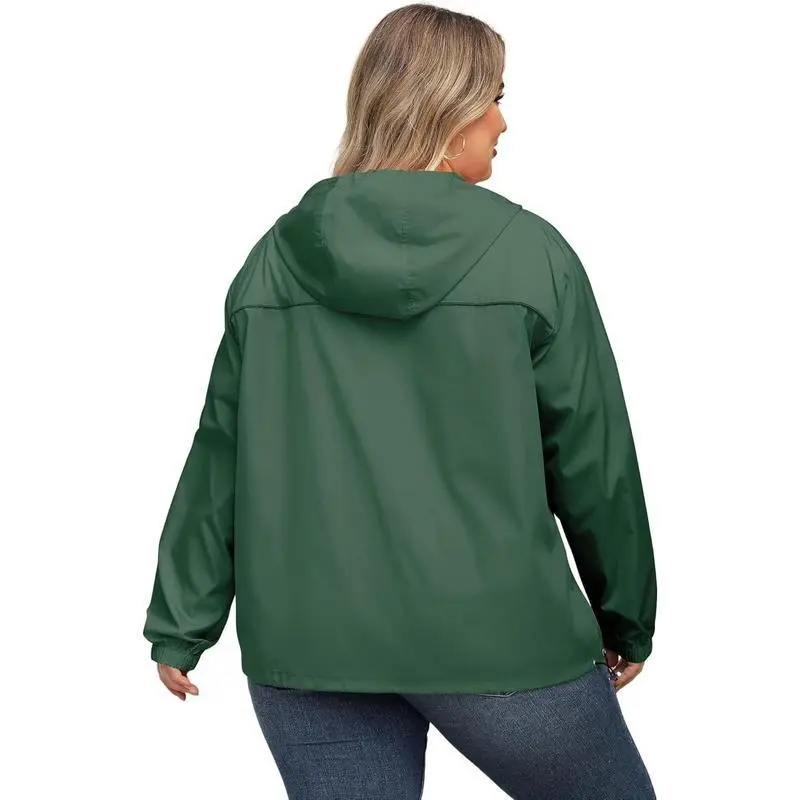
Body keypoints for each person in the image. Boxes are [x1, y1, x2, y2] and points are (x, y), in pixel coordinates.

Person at [142, 4, 658, 798]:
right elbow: (594, 459)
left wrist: (181, 621)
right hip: (499, 639)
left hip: (309, 645)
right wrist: (626, 616)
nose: (503, 122)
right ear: (447, 107)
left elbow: (222, 454)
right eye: (493, 97)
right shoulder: (532, 255)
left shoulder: (275, 257)